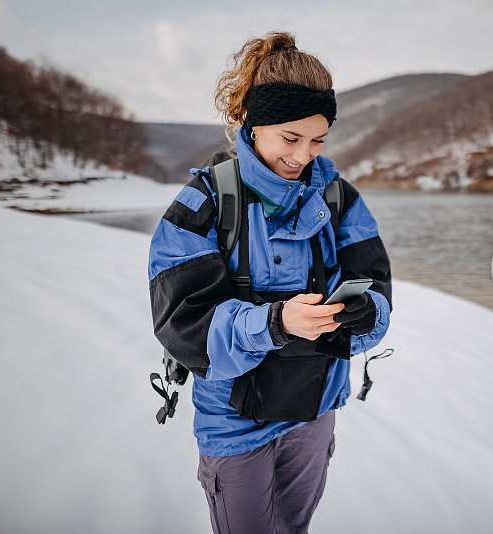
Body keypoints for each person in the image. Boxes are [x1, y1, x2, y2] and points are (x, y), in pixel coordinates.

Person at [148, 31, 392, 534]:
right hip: (234, 427)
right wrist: (277, 323)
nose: (304, 156)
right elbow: (181, 325)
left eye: (318, 140)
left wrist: (363, 314)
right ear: (254, 125)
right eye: (290, 137)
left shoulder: (341, 200)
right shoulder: (204, 202)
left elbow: (380, 298)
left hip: (315, 408)